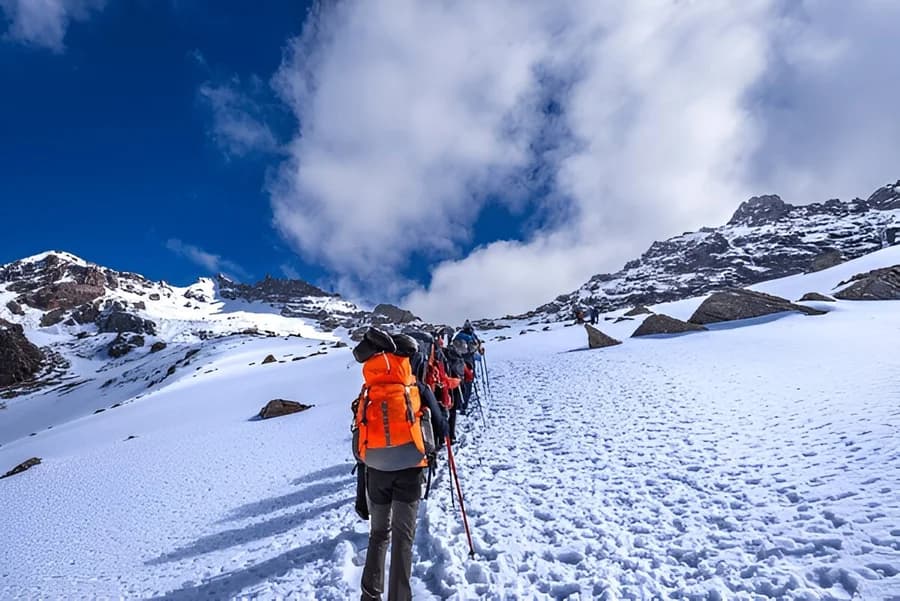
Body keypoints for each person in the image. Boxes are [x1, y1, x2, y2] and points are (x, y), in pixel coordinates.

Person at [357, 332, 448, 601]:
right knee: (403, 537)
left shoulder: (369, 388)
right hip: (410, 468)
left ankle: (370, 595)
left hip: (376, 471)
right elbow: (442, 427)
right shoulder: (418, 387)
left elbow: (359, 430)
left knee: (378, 534)